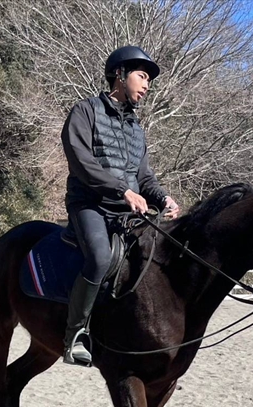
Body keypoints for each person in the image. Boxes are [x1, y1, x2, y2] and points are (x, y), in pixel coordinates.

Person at [60, 45, 180, 366]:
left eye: (149, 80)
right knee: (100, 257)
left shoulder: (136, 129)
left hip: (127, 211)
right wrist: (122, 190)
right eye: (142, 76)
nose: (147, 85)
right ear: (120, 74)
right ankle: (75, 335)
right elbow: (81, 162)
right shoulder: (85, 111)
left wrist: (163, 198)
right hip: (90, 205)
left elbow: (144, 177)